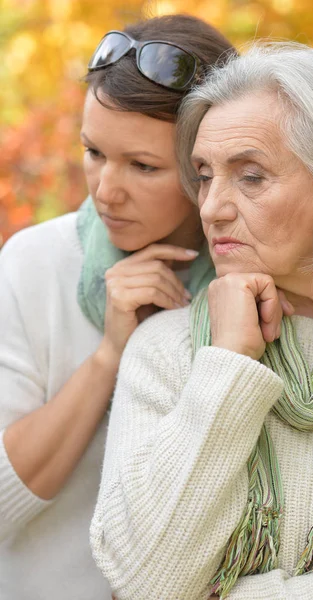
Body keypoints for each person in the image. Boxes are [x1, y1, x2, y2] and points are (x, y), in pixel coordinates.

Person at [90, 42, 313, 600]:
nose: (210, 207)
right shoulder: (167, 351)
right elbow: (141, 580)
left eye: (250, 177)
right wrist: (228, 366)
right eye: (205, 175)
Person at [0, 15, 234, 600]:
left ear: (203, 170)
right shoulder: (35, 262)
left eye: (143, 166)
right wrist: (109, 354)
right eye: (93, 152)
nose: (105, 188)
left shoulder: (256, 289)